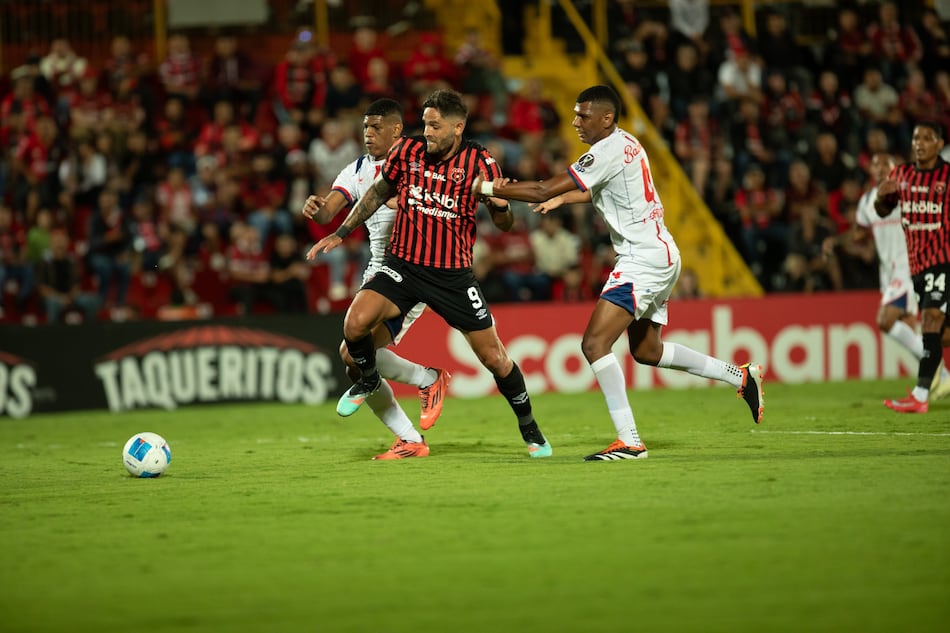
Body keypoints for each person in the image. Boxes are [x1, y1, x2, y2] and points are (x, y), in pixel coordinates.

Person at [472, 85, 764, 461]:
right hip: (661, 254)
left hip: (642, 258)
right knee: (647, 350)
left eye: (583, 115)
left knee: (594, 344)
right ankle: (739, 376)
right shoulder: (625, 144)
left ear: (606, 118)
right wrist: (565, 196)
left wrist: (484, 186)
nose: (575, 122)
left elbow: (543, 188)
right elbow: (595, 189)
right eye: (575, 114)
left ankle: (629, 441)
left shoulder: (605, 150)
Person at [308, 89, 552, 460]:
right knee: (354, 326)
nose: (427, 132)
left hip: (452, 276)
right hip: (402, 265)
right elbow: (375, 194)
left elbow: (504, 223)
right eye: (424, 124)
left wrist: (500, 205)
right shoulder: (407, 153)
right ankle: (373, 381)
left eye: (434, 125)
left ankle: (530, 428)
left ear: (458, 127)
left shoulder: (480, 161)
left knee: (494, 358)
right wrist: (341, 232)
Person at [301, 99, 452, 453]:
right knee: (352, 357)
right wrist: (316, 210)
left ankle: (426, 382)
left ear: (397, 130)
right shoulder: (356, 169)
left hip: (416, 269)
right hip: (380, 269)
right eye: (365, 128)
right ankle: (413, 433)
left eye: (376, 128)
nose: (367, 135)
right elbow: (330, 211)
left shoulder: (421, 161)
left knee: (356, 352)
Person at [826, 152, 950, 399]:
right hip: (889, 273)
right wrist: (836, 241)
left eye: (886, 164)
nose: (881, 168)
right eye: (875, 165)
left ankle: (940, 376)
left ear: (897, 168)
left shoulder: (907, 192)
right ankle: (941, 377)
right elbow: (860, 234)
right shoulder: (867, 201)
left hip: (911, 266)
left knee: (886, 319)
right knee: (920, 330)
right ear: (870, 171)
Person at [877, 122, 950, 413]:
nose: (919, 143)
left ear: (939, 143)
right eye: (916, 138)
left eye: (926, 138)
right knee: (940, 333)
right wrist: (883, 196)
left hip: (944, 262)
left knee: (931, 320)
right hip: (917, 266)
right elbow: (884, 210)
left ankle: (920, 395)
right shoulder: (902, 174)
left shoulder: (948, 176)